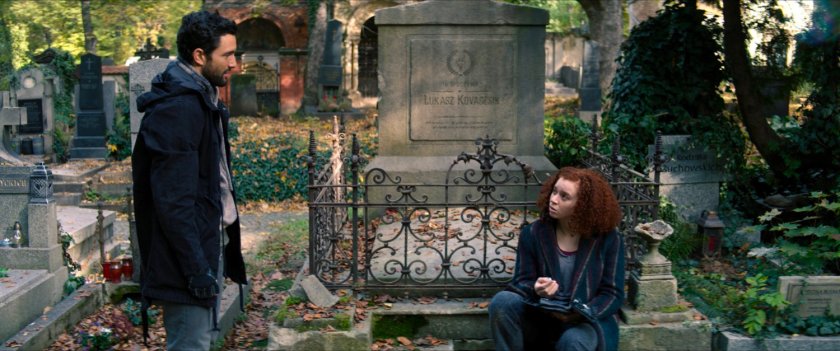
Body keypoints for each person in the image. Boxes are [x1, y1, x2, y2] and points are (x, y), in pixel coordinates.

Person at [132, 10, 247, 350]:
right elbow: (173, 201)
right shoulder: (179, 109)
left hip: (206, 244)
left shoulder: (201, 97)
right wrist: (197, 269)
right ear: (200, 56)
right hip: (185, 259)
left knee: (202, 340)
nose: (235, 64)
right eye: (227, 55)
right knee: (191, 343)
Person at [489, 167, 625, 351]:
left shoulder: (608, 238)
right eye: (554, 191)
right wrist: (537, 289)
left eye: (564, 196)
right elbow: (522, 281)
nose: (553, 200)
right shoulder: (533, 233)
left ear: (582, 205)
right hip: (542, 316)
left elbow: (612, 293)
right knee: (502, 302)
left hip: (586, 321)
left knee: (572, 341)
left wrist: (585, 310)